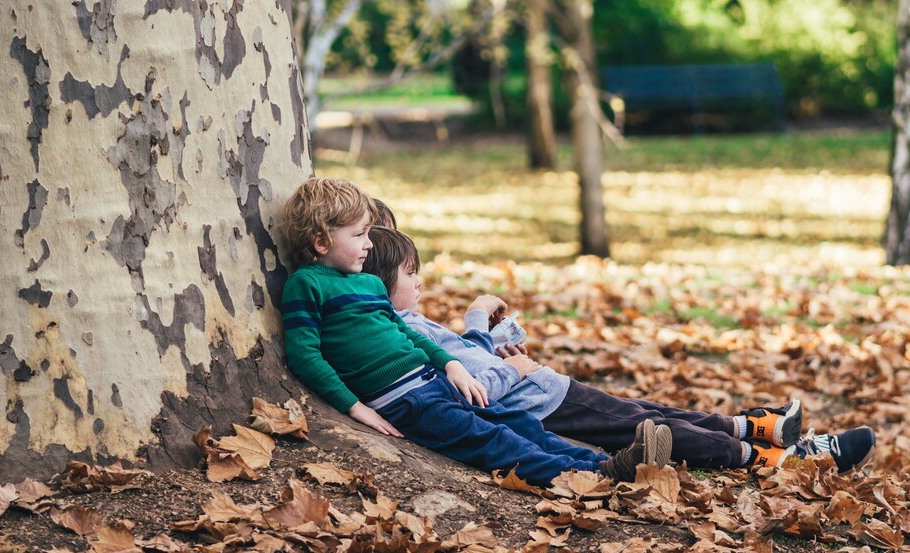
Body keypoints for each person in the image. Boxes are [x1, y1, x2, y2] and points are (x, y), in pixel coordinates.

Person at [361, 225, 878, 475]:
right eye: (411, 274)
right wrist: (496, 346)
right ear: (381, 281)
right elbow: (476, 383)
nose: (421, 281)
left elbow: (472, 363)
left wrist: (497, 343)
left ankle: (757, 426)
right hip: (541, 402)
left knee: (652, 412)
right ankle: (779, 461)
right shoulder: (400, 330)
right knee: (653, 429)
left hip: (546, 389)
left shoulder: (404, 321)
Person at [278, 177, 673, 487]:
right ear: (320, 240)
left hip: (435, 381)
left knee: (519, 425)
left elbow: (408, 335)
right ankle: (588, 479)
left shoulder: (368, 284)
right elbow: (305, 355)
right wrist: (353, 406)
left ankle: (607, 465)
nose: (368, 244)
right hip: (406, 402)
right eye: (359, 235)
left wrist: (451, 365)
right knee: (494, 442)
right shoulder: (308, 285)